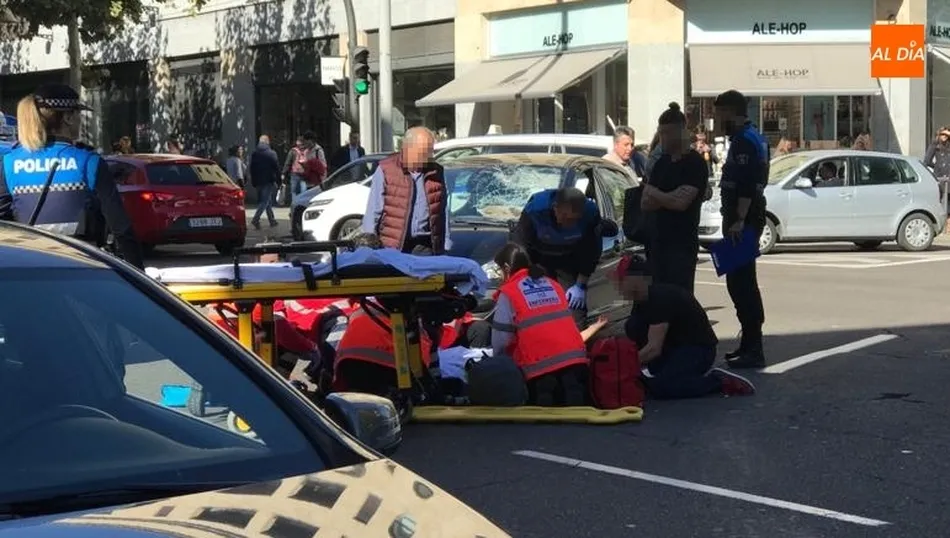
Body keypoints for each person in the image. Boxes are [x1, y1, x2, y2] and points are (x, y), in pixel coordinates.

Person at [0, 84, 143, 269]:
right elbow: (121, 229)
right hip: (80, 268)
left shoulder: (10, 162)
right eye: (78, 115)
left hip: (29, 270)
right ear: (67, 117)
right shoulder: (88, 161)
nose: (80, 121)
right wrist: (139, 275)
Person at [617, 254, 755, 398]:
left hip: (697, 349)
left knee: (665, 387)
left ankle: (718, 381)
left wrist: (625, 365)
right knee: (646, 383)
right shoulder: (642, 299)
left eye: (622, 281)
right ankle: (668, 372)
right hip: (674, 347)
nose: (619, 286)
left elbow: (653, 348)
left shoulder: (657, 298)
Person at [490, 242, 592, 406]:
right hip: (576, 361)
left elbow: (501, 340)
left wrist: (499, 365)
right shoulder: (552, 284)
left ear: (507, 268)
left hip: (539, 368)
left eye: (499, 271)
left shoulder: (510, 292)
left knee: (543, 405)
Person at [714, 89, 769, 369]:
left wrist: (738, 219)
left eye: (719, 112)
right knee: (739, 282)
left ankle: (753, 346)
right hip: (741, 218)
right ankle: (748, 344)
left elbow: (748, 184)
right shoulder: (749, 137)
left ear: (730, 112)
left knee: (741, 283)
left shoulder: (745, 142)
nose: (716, 118)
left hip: (742, 220)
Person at [641, 102, 709, 294]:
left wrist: (655, 193)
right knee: (658, 298)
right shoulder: (661, 163)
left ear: (681, 132)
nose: (662, 138)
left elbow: (680, 203)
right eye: (660, 133)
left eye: (667, 133)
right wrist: (666, 197)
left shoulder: (694, 163)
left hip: (682, 245)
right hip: (657, 243)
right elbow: (645, 203)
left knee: (680, 297)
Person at [514, 186, 602, 328]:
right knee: (539, 309)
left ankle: (578, 342)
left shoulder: (590, 214)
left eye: (574, 220)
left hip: (569, 261)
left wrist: (580, 285)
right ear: (555, 208)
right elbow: (520, 247)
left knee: (574, 311)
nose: (569, 224)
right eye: (566, 218)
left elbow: (591, 251)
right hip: (538, 260)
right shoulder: (535, 211)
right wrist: (525, 278)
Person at [361, 126, 450, 255]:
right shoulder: (386, 169)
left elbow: (442, 210)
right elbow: (373, 211)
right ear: (409, 149)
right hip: (392, 246)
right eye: (426, 152)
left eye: (431, 151)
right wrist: (368, 247)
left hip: (425, 245)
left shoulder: (436, 171)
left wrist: (445, 242)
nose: (430, 156)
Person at [248, 134, 280, 230]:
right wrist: (279, 180)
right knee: (265, 201)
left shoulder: (254, 154)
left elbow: (252, 168)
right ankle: (255, 219)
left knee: (267, 201)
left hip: (258, 181)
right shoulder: (272, 153)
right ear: (267, 142)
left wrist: (253, 181)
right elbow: (276, 168)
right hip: (268, 180)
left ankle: (272, 220)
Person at [282, 132, 326, 198]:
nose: (305, 144)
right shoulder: (307, 151)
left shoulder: (318, 150)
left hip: (318, 180)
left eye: (306, 142)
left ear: (311, 140)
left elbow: (323, 166)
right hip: (308, 179)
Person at [924, 127, 950, 219]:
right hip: (941, 176)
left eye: (947, 135)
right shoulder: (935, 145)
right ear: (939, 134)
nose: (945, 137)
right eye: (943, 134)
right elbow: (926, 161)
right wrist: (937, 167)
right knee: (943, 199)